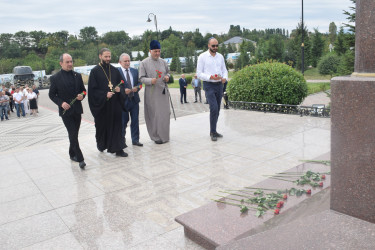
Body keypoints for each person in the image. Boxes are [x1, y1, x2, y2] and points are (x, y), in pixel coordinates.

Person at [49, 53, 87, 169]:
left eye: (71, 61)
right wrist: (61, 103)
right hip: (66, 112)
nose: (70, 64)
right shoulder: (55, 78)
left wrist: (82, 95)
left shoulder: (77, 75)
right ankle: (80, 158)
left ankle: (71, 153)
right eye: (67, 62)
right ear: (61, 63)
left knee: (74, 134)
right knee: (73, 133)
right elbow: (52, 95)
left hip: (77, 110)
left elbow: (84, 91)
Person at [88, 48, 128, 157]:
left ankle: (119, 149)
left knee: (117, 127)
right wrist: (104, 94)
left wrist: (120, 90)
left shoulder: (115, 70)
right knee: (102, 128)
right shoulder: (95, 71)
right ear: (100, 56)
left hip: (115, 105)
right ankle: (101, 144)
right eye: (106, 56)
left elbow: (121, 85)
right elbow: (92, 91)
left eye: (109, 56)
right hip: (102, 107)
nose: (108, 59)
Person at [139, 40, 171, 144]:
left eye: (159, 51)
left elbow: (168, 73)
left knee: (165, 114)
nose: (157, 53)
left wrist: (167, 77)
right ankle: (156, 137)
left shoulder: (163, 62)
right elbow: (141, 78)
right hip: (151, 93)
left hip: (163, 92)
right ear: (150, 51)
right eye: (155, 51)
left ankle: (165, 136)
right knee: (155, 115)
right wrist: (150, 80)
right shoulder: (144, 63)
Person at [197, 37, 228, 141]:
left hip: (219, 84)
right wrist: (210, 77)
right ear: (208, 45)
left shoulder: (220, 57)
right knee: (214, 107)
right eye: (213, 46)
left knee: (218, 109)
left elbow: (224, 70)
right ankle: (212, 132)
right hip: (209, 84)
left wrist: (225, 78)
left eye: (217, 45)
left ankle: (213, 130)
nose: (215, 47)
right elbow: (199, 73)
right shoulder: (202, 57)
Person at [118, 53, 143, 147]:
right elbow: (115, 86)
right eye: (125, 61)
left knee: (135, 121)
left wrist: (137, 88)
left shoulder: (134, 71)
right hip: (123, 102)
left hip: (134, 100)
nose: (127, 63)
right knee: (123, 122)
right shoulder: (117, 72)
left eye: (128, 61)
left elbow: (140, 83)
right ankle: (122, 141)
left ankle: (135, 140)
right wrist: (123, 90)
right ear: (120, 62)